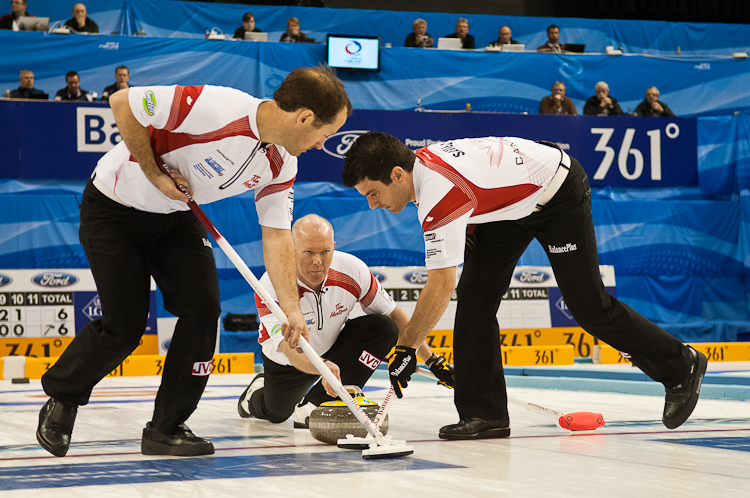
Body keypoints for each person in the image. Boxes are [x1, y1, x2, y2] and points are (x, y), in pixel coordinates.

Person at [35, 66, 353, 459]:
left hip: (177, 217)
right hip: (114, 209)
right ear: (304, 117)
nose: (322, 144)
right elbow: (122, 103)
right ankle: (62, 398)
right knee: (125, 327)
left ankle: (166, 428)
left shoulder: (283, 162)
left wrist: (290, 307)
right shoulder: (215, 106)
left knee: (203, 311)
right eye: (324, 134)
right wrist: (154, 173)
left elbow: (276, 233)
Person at [342, 131, 708, 440]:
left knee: (588, 307)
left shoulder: (439, 193)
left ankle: (680, 366)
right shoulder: (423, 166)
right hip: (509, 207)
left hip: (556, 194)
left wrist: (406, 348)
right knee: (474, 297)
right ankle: (486, 415)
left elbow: (440, 284)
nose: (373, 204)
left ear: (397, 175)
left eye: (373, 193)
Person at [236, 214, 454, 427]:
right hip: (289, 361)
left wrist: (433, 361)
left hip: (334, 350)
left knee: (384, 327)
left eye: (325, 252)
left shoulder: (352, 269)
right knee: (275, 413)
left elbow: (395, 316)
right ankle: (254, 395)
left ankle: (317, 404)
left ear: (334, 246)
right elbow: (290, 349)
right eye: (308, 252)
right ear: (291, 249)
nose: (317, 262)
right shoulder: (270, 286)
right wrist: (321, 367)